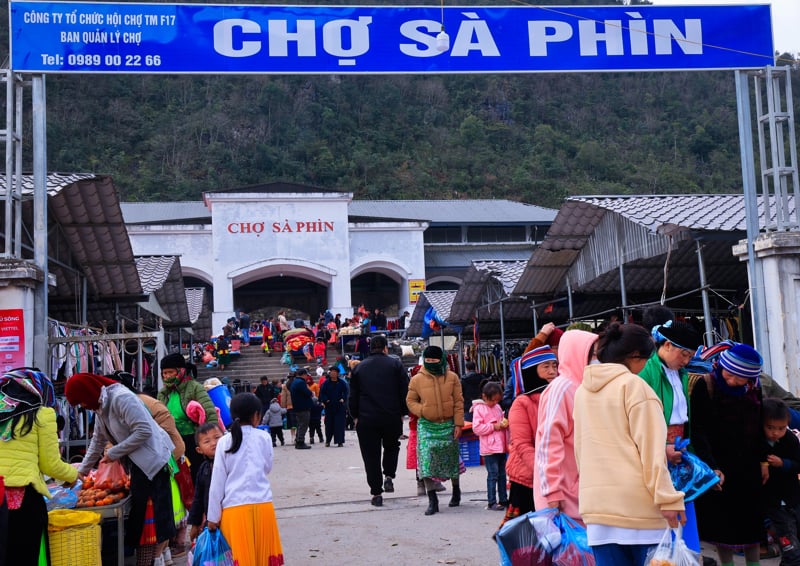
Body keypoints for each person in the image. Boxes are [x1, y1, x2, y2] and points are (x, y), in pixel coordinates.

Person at [574, 323, 685, 566]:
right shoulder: (635, 388)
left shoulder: (583, 391)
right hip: (637, 512)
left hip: (598, 510)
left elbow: (580, 449)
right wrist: (668, 499)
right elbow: (652, 453)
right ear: (635, 357)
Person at [65, 373, 176, 566]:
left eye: (81, 401)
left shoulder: (121, 398)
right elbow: (97, 441)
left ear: (88, 392)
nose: (82, 406)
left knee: (151, 518)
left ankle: (155, 558)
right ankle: (148, 559)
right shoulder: (100, 405)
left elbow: (143, 430)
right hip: (136, 465)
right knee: (139, 518)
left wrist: (115, 452)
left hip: (152, 463)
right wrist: (81, 471)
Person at [691, 342, 765, 566]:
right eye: (729, 374)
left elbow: (759, 423)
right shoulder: (707, 385)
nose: (731, 380)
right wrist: (711, 466)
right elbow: (699, 430)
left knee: (752, 524)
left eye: (739, 378)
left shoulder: (754, 388)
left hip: (749, 466)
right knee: (723, 526)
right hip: (719, 465)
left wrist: (763, 461)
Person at [638, 319, 705, 554]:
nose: (686, 361)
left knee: (685, 508)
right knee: (664, 513)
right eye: (684, 355)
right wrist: (661, 447)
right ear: (667, 345)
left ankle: (686, 554)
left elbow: (683, 417)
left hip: (678, 449)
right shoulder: (647, 371)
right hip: (658, 449)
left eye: (689, 357)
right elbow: (642, 419)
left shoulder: (682, 372)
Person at [0, 369, 78, 566]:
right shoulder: (42, 415)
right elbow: (50, 464)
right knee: (23, 555)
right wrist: (73, 475)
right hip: (21, 497)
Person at [207, 393, 284, 565]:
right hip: (263, 506)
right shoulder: (264, 437)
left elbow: (217, 482)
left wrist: (213, 516)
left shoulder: (225, 441)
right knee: (263, 559)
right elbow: (267, 468)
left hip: (235, 510)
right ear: (256, 415)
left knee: (240, 559)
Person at [534, 328, 599, 522]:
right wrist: (552, 492)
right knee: (568, 550)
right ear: (577, 353)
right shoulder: (561, 389)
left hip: (579, 489)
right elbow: (548, 443)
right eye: (592, 353)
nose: (596, 359)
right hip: (561, 494)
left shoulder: (584, 386)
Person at [349, 334, 409, 507]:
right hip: (391, 416)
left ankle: (376, 493)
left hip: (367, 419)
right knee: (392, 446)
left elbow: (352, 396)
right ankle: (389, 475)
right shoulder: (395, 364)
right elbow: (404, 390)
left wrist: (355, 416)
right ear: (385, 348)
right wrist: (402, 412)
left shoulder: (359, 368)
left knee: (370, 455)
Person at [501, 346, 558, 526]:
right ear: (532, 371)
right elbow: (522, 444)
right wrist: (543, 471)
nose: (552, 371)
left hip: (553, 475)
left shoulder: (559, 397)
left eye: (554, 366)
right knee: (523, 535)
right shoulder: (522, 403)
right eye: (546, 367)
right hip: (527, 477)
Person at [407, 345, 464, 516]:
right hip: (427, 425)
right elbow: (410, 401)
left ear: (442, 360)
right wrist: (423, 410)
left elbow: (458, 402)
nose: (431, 363)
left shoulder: (452, 377)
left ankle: (456, 491)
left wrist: (458, 424)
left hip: (448, 424)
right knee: (425, 460)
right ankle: (432, 499)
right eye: (428, 360)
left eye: (435, 360)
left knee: (451, 458)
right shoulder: (416, 379)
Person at [157, 353, 218, 482]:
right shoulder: (163, 393)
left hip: (193, 439)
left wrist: (213, 439)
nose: (167, 376)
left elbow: (209, 412)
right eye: (164, 373)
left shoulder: (194, 388)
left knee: (197, 475)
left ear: (181, 371)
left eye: (170, 372)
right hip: (172, 441)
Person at [761, 398, 800, 565]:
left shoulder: (790, 440)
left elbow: (798, 464)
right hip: (774, 504)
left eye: (781, 428)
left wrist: (783, 463)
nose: (775, 433)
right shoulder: (756, 440)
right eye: (770, 428)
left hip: (793, 499)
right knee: (790, 549)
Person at [470, 381, 509, 511]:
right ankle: (491, 501)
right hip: (489, 448)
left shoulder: (497, 408)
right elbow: (477, 428)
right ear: (484, 397)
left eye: (497, 400)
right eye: (493, 400)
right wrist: (493, 427)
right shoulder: (479, 409)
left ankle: (503, 499)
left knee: (502, 474)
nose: (495, 403)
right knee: (493, 475)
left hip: (501, 446)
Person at [187, 423, 223, 542]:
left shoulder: (231, 463)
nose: (214, 443)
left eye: (217, 437)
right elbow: (198, 498)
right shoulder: (203, 469)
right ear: (199, 450)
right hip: (211, 521)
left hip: (231, 516)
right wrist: (195, 524)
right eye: (207, 441)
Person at [319, 366, 349, 447]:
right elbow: (322, 393)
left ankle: (340, 441)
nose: (333, 373)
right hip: (329, 406)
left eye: (335, 372)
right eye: (331, 372)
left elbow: (346, 392)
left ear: (337, 373)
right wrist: (326, 400)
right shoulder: (326, 383)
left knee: (339, 424)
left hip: (339, 406)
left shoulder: (342, 383)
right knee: (329, 424)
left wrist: (343, 398)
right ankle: (328, 441)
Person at [290, 368, 314, 449]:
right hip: (303, 406)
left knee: (300, 424)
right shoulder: (300, 382)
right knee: (303, 424)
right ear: (303, 374)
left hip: (297, 406)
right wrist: (311, 393)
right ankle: (300, 441)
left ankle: (298, 440)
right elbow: (307, 392)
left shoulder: (294, 381)